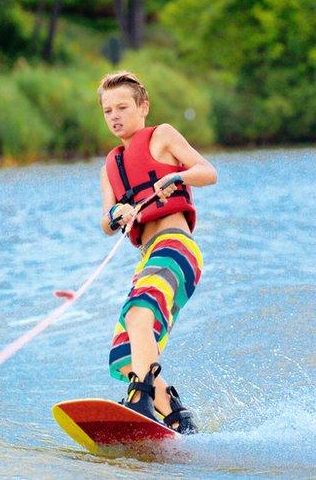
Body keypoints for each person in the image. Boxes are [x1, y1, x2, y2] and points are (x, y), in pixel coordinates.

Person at [97, 71, 218, 434]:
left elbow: (207, 172)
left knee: (139, 315)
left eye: (122, 107)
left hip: (177, 246)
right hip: (149, 256)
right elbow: (106, 222)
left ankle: (141, 399)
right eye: (107, 110)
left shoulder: (162, 136)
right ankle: (174, 412)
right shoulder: (110, 166)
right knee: (124, 355)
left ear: (142, 107)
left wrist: (176, 178)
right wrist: (116, 214)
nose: (114, 116)